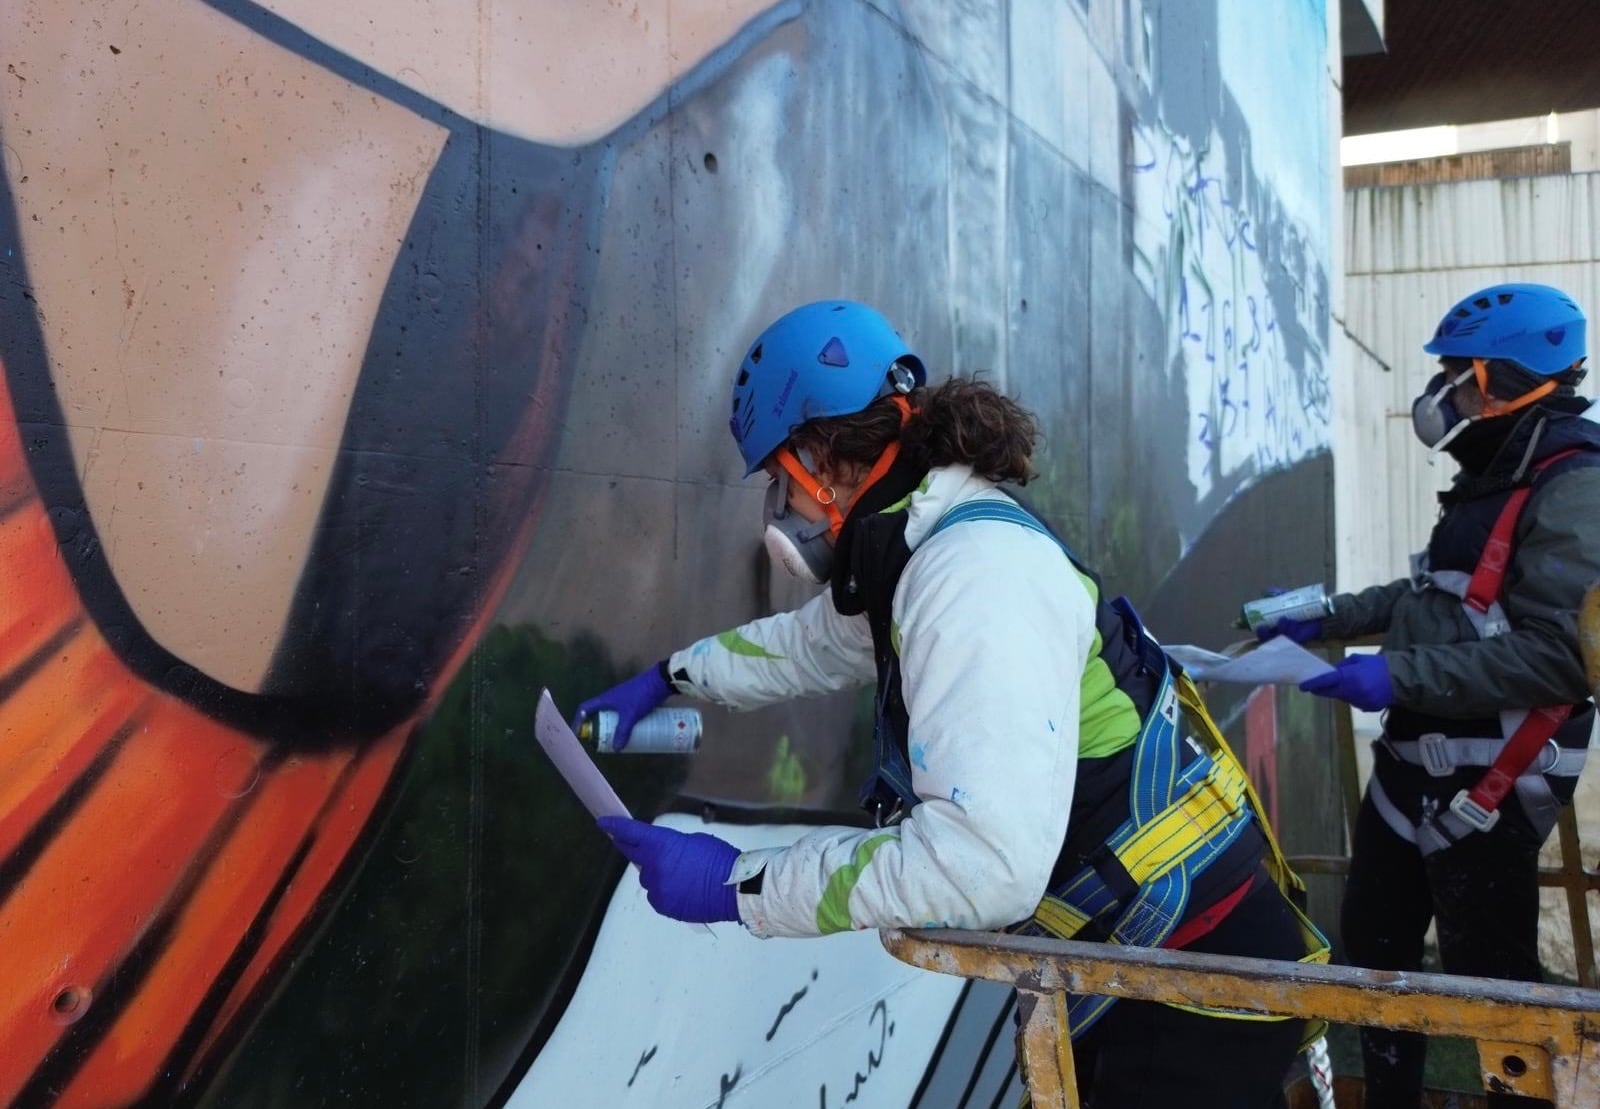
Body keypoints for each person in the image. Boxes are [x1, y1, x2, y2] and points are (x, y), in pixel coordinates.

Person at [578, 299, 1326, 1108]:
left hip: (1193, 979)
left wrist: (740, 884)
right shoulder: (923, 542)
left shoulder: (973, 576)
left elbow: (980, 866)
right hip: (1162, 957)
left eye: (780, 481)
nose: (781, 512)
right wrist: (674, 675)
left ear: (823, 457)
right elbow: (819, 643)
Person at [1259, 283, 1600, 1109]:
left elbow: (1563, 659)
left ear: (1497, 379)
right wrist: (1331, 616)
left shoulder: (1575, 486)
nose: (1439, 393)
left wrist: (1396, 674)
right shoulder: (1499, 475)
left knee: (1501, 999)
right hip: (1411, 773)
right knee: (1376, 960)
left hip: (1487, 791)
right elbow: (1445, 599)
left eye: (1455, 373)